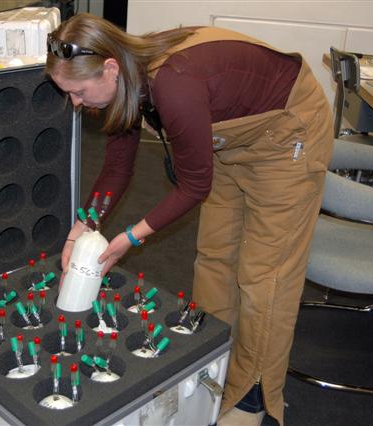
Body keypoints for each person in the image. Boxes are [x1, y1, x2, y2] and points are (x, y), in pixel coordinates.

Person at [46, 13, 333, 426]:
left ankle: (253, 396)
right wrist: (83, 226)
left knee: (263, 275)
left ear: (109, 68)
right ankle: (214, 364)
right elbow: (116, 169)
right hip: (230, 136)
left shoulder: (174, 84)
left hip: (287, 135)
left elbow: (194, 186)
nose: (75, 102)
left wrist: (130, 237)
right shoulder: (127, 78)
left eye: (77, 91)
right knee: (215, 257)